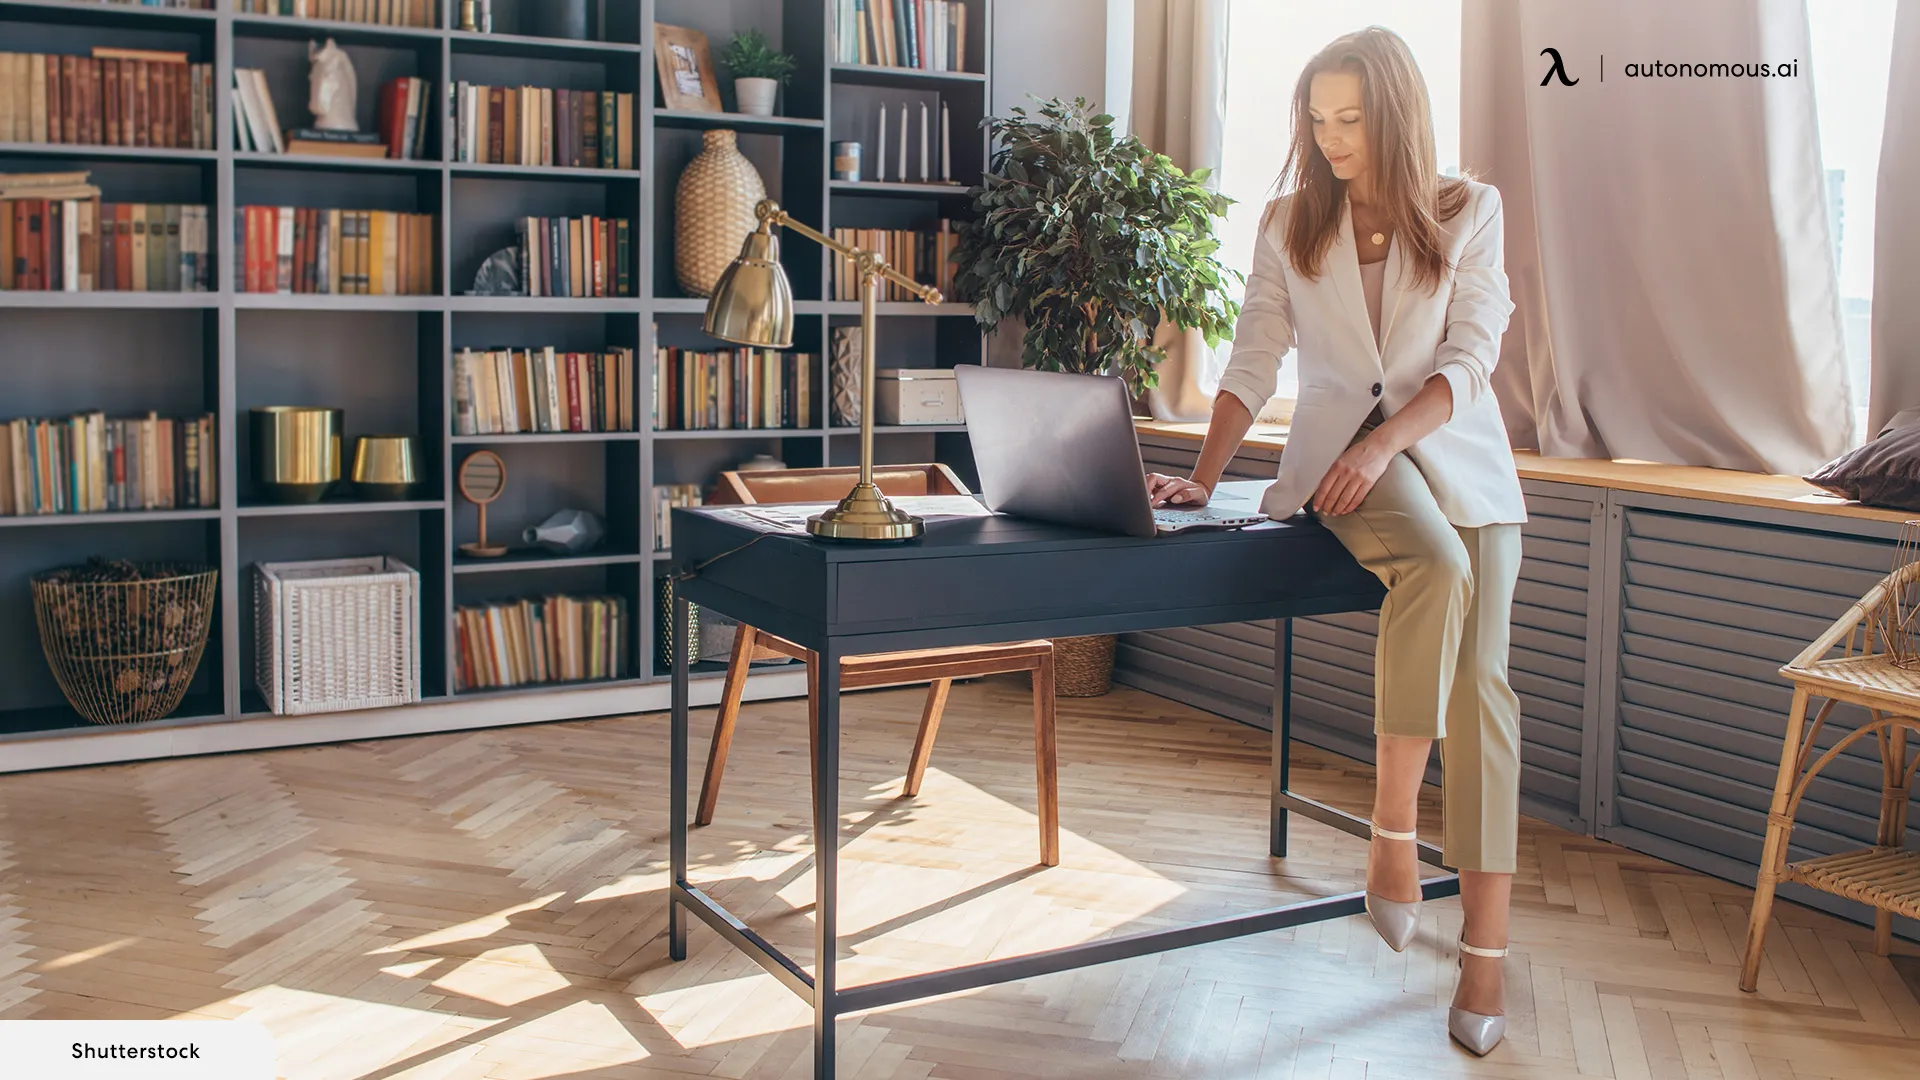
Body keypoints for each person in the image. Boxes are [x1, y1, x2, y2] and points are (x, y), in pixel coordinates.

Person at [1145, 26, 1525, 1057]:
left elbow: (1474, 352)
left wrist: (1393, 435)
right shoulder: (1287, 221)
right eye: (1318, 120)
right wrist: (1210, 474)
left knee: (1484, 697)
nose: (1331, 138)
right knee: (1432, 570)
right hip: (1338, 467)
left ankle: (1485, 954)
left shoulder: (1466, 210)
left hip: (1463, 466)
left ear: (1395, 115)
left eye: (1351, 119)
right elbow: (1255, 353)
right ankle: (1392, 832)